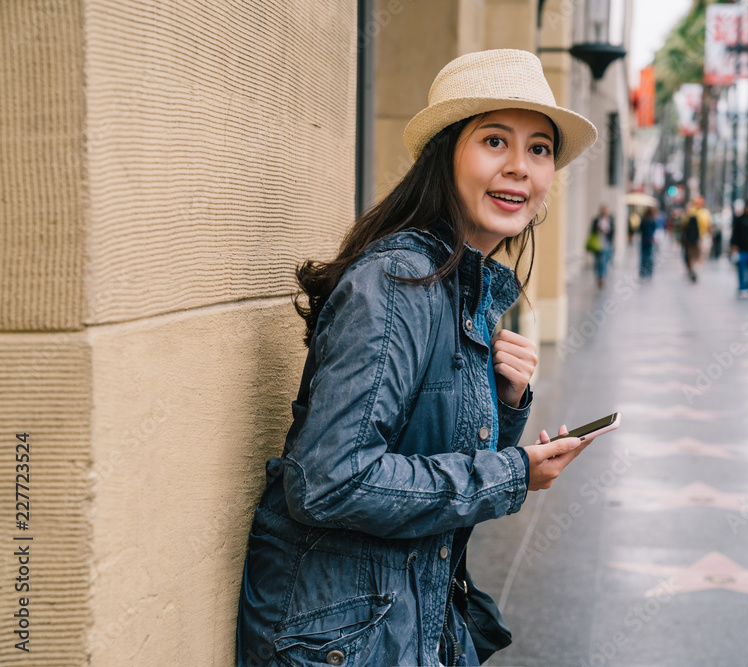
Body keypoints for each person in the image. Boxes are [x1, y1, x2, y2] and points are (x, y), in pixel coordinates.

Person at [236, 49, 599, 667]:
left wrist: (505, 405)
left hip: (402, 614)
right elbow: (331, 480)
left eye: (539, 149)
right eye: (494, 141)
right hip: (338, 637)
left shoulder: (459, 281)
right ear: (446, 153)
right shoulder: (398, 283)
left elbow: (424, 446)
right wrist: (513, 473)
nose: (520, 168)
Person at [730, 199, 748, 297]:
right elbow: (735, 233)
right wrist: (734, 245)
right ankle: (742, 287)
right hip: (741, 248)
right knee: (741, 268)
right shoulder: (739, 219)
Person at [682, 195, 711, 282]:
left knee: (696, 255)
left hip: (700, 237)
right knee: (692, 255)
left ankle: (693, 270)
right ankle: (692, 269)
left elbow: (709, 226)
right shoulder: (692, 211)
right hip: (694, 238)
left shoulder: (702, 212)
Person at [589, 204, 614, 287]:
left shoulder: (610, 220)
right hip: (597, 243)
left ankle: (602, 277)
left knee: (603, 261)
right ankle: (598, 276)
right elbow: (592, 231)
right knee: (597, 261)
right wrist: (598, 228)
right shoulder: (596, 220)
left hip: (606, 244)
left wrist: (608, 231)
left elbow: (613, 232)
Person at [638, 207, 657, 278]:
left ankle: (642, 271)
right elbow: (654, 228)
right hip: (650, 239)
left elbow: (640, 228)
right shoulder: (653, 219)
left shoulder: (644, 219)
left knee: (643, 256)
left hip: (644, 239)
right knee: (649, 256)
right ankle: (649, 271)